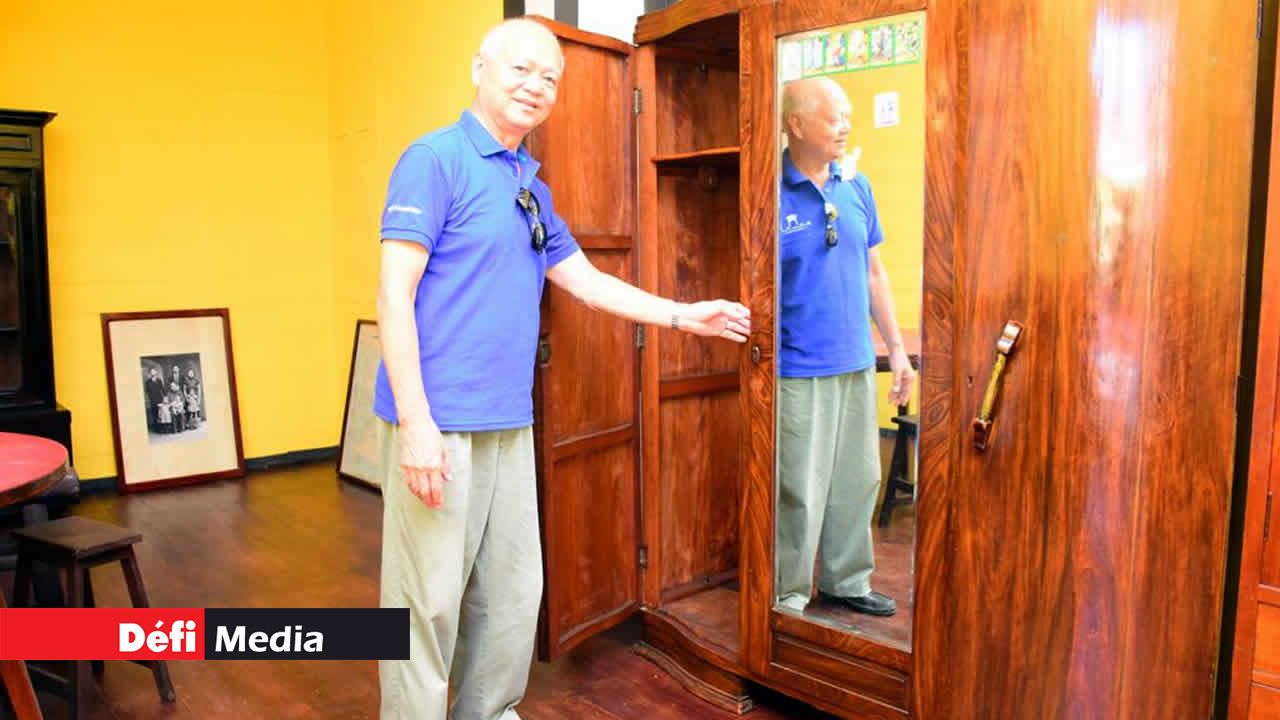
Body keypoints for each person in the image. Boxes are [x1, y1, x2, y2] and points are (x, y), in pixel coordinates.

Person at [373, 18, 751, 720]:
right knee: (425, 600)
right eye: (521, 69)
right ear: (479, 66)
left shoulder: (528, 184)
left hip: (508, 419)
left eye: (550, 77)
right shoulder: (434, 159)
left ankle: (488, 712)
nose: (536, 86)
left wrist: (681, 315)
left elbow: (583, 280)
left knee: (513, 591)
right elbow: (393, 294)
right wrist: (417, 424)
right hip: (439, 420)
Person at [774, 77, 915, 617]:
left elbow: (874, 271)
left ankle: (846, 581)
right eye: (835, 116)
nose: (846, 126)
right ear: (797, 124)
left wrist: (895, 350)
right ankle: (787, 595)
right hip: (797, 368)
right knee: (799, 491)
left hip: (855, 360)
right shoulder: (771, 195)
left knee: (859, 479)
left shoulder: (857, 187)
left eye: (849, 115)